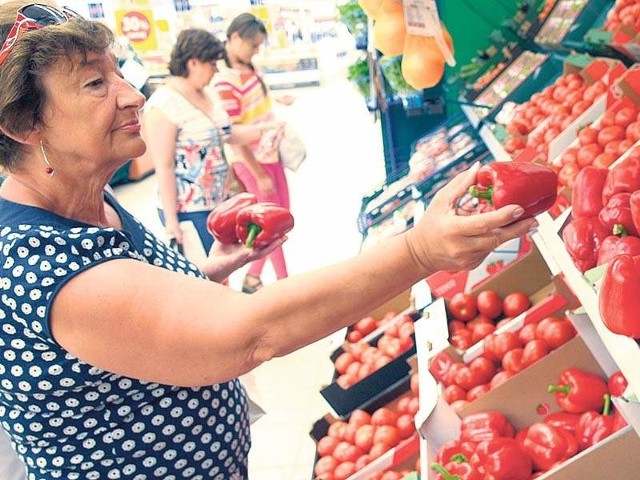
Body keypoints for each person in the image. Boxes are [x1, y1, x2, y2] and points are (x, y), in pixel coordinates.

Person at [0, 3, 536, 479]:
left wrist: (207, 273)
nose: (131, 94)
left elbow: (130, 316)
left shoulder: (86, 198)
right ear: (25, 125)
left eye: (119, 73)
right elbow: (250, 335)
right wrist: (420, 251)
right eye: (96, 84)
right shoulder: (36, 263)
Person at [143, 27, 282, 259]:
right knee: (207, 274)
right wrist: (171, 221)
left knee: (224, 268)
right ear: (194, 63)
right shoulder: (164, 105)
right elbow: (164, 166)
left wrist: (262, 129)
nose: (216, 70)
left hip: (219, 202)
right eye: (212, 64)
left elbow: (228, 132)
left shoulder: (208, 95)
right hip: (189, 210)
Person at [212, 13, 294, 293]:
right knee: (269, 224)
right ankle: (285, 285)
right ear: (235, 38)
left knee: (282, 216)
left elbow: (255, 104)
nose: (256, 51)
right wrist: (258, 174)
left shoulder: (249, 68)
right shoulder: (224, 80)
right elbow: (234, 134)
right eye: (253, 45)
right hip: (252, 161)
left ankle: (253, 277)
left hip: (270, 153)